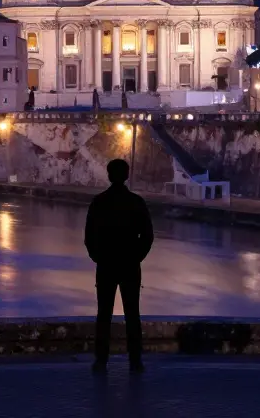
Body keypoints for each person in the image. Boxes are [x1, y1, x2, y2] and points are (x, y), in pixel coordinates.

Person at [84, 159, 154, 372]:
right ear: (126, 175)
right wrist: (136, 257)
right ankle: (135, 359)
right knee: (133, 313)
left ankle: (101, 359)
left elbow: (89, 236)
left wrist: (98, 257)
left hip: (106, 264)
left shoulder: (99, 202)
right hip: (130, 264)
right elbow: (148, 236)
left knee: (103, 313)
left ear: (108, 175)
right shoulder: (136, 202)